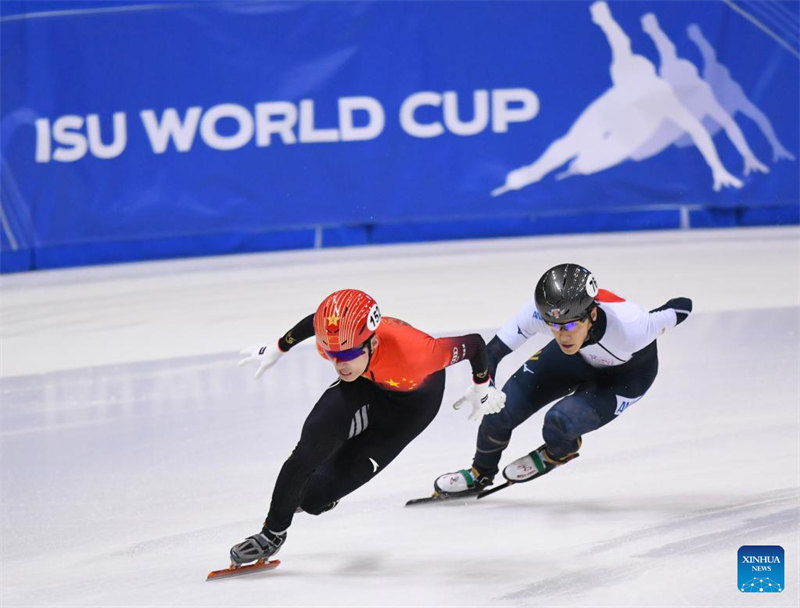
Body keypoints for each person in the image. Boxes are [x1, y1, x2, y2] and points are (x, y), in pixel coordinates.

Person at [229, 288, 506, 565]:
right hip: (365, 382)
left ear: (371, 343)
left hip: (410, 408)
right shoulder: (338, 338)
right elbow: (315, 321)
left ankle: (327, 488)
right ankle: (271, 535)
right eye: (331, 353)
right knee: (310, 446)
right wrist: (280, 347)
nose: (339, 363)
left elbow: (474, 344)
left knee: (313, 499)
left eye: (347, 353)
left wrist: (481, 384)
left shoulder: (420, 353)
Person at [434, 263, 691, 496]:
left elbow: (682, 306)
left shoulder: (632, 327)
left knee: (559, 422)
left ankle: (558, 452)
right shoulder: (543, 315)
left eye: (569, 325)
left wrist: (654, 319)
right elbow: (493, 352)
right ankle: (480, 473)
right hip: (575, 358)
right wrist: (484, 386)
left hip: (627, 377)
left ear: (591, 315)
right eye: (553, 325)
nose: (561, 334)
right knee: (499, 410)